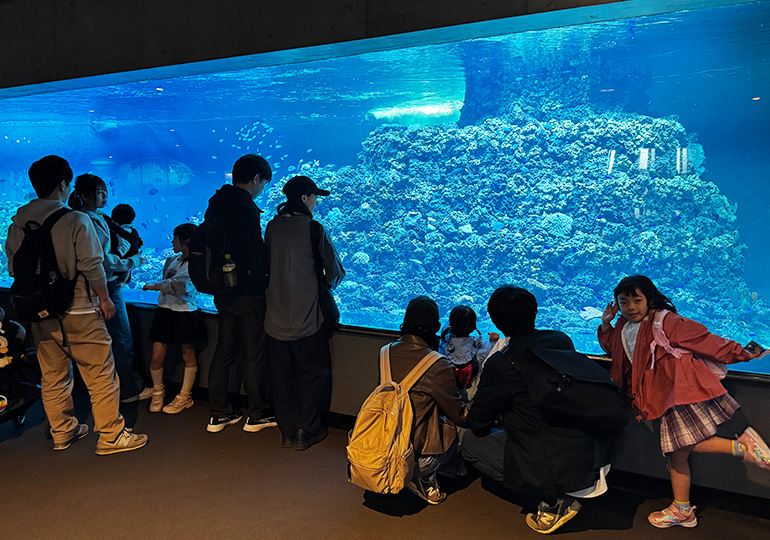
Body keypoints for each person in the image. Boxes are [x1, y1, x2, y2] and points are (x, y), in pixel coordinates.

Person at [599, 275, 770, 529]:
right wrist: (606, 324)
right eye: (624, 302)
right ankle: (682, 509)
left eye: (637, 300)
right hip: (660, 397)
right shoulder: (624, 326)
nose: (631, 307)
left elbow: (704, 340)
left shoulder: (665, 320)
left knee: (679, 445)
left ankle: (742, 447)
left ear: (649, 300)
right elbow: (615, 350)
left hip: (677, 394)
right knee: (676, 455)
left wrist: (744, 352)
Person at [5, 155, 147, 454]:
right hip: (80, 308)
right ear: (63, 184)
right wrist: (105, 298)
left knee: (53, 374)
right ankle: (111, 436)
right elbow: (92, 264)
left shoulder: (18, 223)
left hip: (40, 311)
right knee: (100, 372)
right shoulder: (75, 219)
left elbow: (14, 269)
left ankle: (62, 432)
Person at [463, 286, 610, 534]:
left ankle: (553, 500)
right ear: (535, 312)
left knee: (470, 443)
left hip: (550, 457)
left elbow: (478, 423)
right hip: (589, 446)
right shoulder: (560, 339)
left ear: (496, 321)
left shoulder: (502, 363)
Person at [264, 175, 345, 451]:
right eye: (314, 197)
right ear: (303, 198)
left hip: (274, 319)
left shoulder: (272, 227)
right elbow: (334, 273)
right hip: (308, 319)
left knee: (282, 377)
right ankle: (306, 431)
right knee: (311, 376)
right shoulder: (314, 229)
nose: (316, 203)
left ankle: (287, 432)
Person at [205, 154, 277, 433]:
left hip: (223, 289)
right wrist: (264, 282)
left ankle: (219, 412)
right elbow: (253, 252)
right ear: (256, 178)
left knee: (223, 351)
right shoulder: (245, 207)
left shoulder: (216, 203)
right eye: (264, 183)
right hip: (248, 292)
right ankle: (256, 413)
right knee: (254, 354)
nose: (262, 189)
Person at [70, 174, 150, 403]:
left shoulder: (96, 217)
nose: (104, 195)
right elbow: (102, 260)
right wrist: (134, 261)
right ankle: (129, 390)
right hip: (106, 286)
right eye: (99, 191)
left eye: (105, 190)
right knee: (121, 337)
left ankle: (118, 387)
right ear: (83, 195)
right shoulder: (87, 220)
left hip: (98, 286)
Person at [386, 296, 469, 504]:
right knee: (463, 428)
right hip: (411, 457)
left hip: (385, 446)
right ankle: (424, 476)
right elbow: (460, 415)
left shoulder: (384, 353)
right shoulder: (437, 364)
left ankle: (445, 471)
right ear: (437, 327)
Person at [142, 223, 205, 414]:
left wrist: (154, 286)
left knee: (188, 353)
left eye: (175, 238)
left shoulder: (196, 263)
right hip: (165, 310)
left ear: (186, 241)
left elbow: (182, 285)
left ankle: (185, 395)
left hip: (185, 312)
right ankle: (158, 391)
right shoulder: (172, 260)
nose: (172, 242)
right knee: (157, 355)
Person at [438, 304, 498, 399]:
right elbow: (487, 353)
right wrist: (494, 341)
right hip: (469, 389)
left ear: (451, 324)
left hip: (445, 387)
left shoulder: (444, 341)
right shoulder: (477, 343)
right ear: (474, 327)